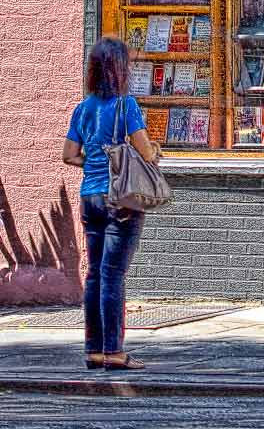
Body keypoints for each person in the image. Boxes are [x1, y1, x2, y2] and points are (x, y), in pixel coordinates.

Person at [62, 38, 161, 371]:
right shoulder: (126, 106)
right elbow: (145, 152)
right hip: (120, 200)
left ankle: (93, 350)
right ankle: (115, 351)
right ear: (121, 69)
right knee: (113, 275)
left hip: (89, 196)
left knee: (94, 275)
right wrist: (155, 152)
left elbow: (69, 155)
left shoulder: (83, 108)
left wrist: (95, 160)